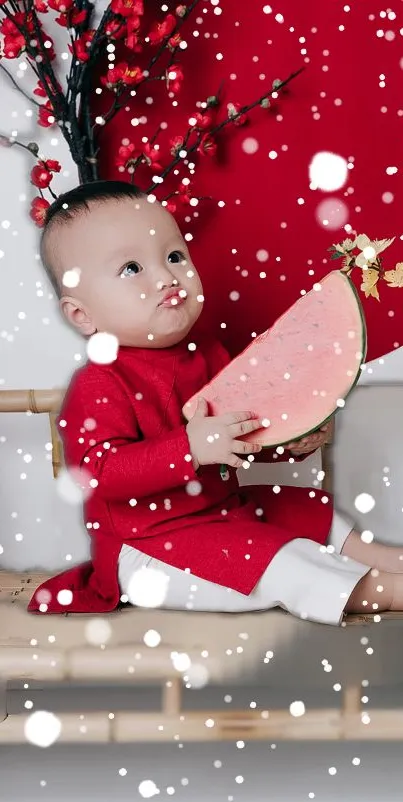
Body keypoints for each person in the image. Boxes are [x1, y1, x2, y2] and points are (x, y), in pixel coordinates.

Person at [27, 180, 403, 620]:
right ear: (81, 315)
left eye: (173, 256)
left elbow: (239, 438)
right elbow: (97, 472)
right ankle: (384, 591)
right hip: (148, 548)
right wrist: (188, 447)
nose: (167, 277)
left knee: (300, 507)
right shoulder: (98, 385)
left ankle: (384, 560)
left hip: (221, 514)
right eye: (131, 268)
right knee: (278, 559)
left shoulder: (207, 354)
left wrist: (289, 441)